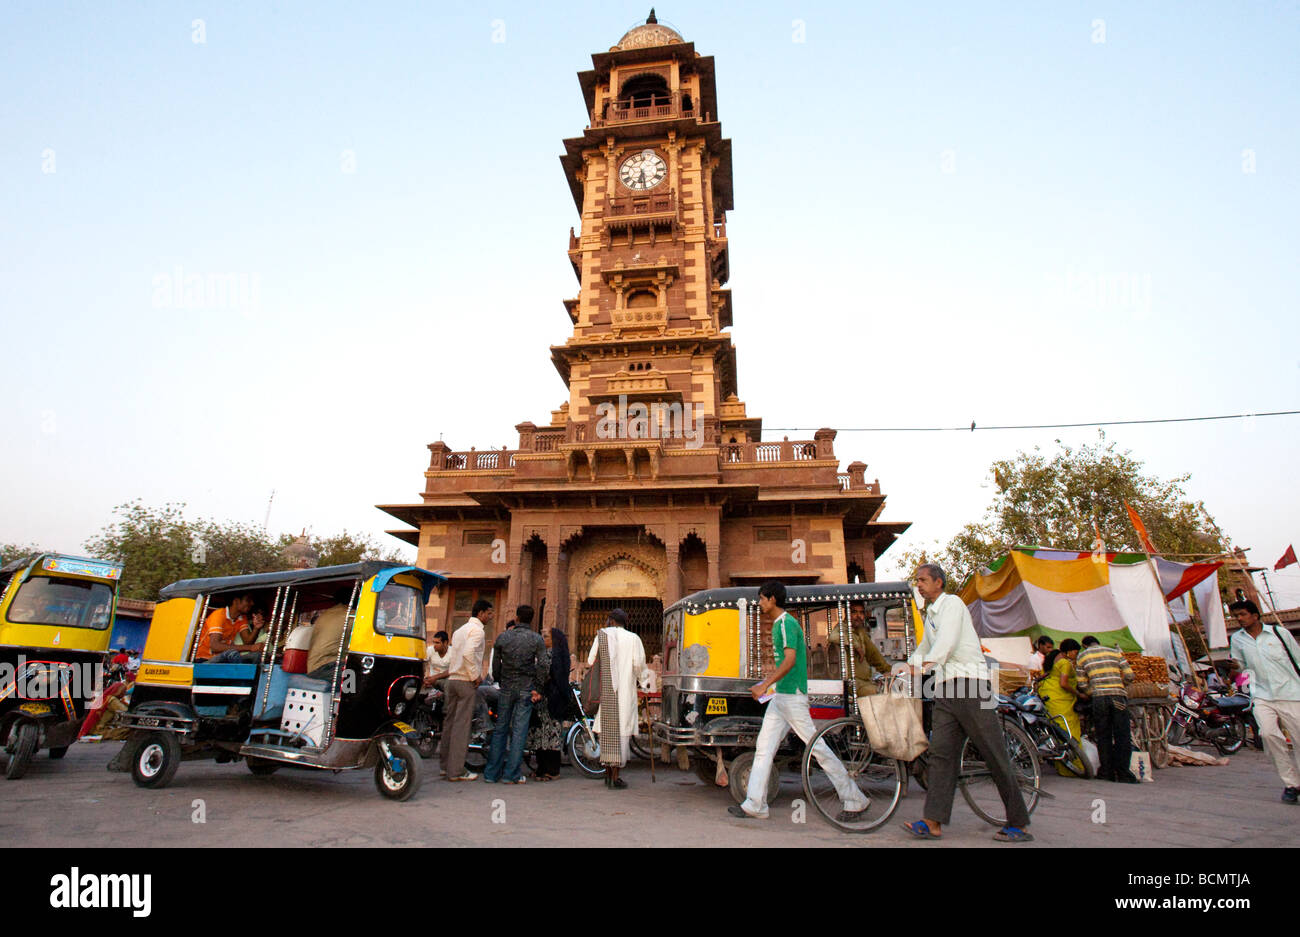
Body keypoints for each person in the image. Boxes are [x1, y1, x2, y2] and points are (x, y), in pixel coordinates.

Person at [901, 564, 1032, 842]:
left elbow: (946, 643)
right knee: (941, 756)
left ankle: (1018, 823)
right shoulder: (932, 613)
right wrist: (905, 665)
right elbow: (927, 646)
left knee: (994, 752)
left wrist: (922, 667)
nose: (919, 585)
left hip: (973, 686)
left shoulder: (952, 604)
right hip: (946, 689)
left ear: (939, 582)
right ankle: (932, 821)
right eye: (918, 581)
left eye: (923, 580)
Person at [728, 581, 870, 821]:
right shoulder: (781, 623)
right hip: (782, 696)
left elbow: (790, 660)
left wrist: (764, 684)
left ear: (772, 599)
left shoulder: (785, 623)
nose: (760, 603)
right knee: (764, 748)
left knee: (818, 748)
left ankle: (854, 798)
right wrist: (769, 684)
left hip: (791, 697)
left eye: (762, 599)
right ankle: (755, 803)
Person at [1228, 599, 1300, 804]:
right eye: (1236, 616)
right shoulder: (1238, 640)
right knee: (1268, 735)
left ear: (1255, 615)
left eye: (1242, 614)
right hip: (1261, 694)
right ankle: (1291, 783)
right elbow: (1239, 670)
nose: (1239, 619)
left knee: (1299, 738)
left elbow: (1298, 659)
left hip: (1292, 692)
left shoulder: (1279, 634)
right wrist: (1233, 672)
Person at [428, 600, 493, 781]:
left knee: (449, 724)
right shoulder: (478, 631)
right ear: (480, 613)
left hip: (453, 680)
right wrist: (475, 676)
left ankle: (444, 766)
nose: (491, 616)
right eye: (489, 613)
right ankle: (456, 771)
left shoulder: (459, 631)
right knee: (461, 727)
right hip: (465, 681)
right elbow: (468, 654)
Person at [484, 606, 548, 784]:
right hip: (525, 688)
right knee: (519, 731)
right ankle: (511, 774)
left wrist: (500, 679)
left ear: (517, 617)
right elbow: (543, 665)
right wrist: (538, 687)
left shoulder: (504, 636)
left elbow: (496, 663)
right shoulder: (536, 639)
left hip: (506, 686)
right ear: (532, 619)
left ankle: (491, 773)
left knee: (500, 729)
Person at [587, 608, 648, 789]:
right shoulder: (633, 639)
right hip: (624, 692)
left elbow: (591, 661)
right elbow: (638, 665)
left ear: (611, 621)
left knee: (607, 733)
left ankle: (608, 773)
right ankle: (616, 776)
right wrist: (644, 683)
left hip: (606, 692)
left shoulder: (601, 636)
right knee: (621, 735)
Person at [1075, 635, 1138, 783]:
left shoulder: (1082, 656)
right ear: (1098, 643)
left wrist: (1092, 691)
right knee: (1122, 735)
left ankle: (1106, 772)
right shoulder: (1114, 652)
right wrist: (1120, 685)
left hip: (1099, 699)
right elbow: (1130, 675)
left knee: (1103, 735)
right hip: (1118, 697)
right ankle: (1123, 773)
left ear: (1084, 645)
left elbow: (1082, 683)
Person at [528, 624, 570, 780]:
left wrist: (536, 689)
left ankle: (551, 770)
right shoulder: (555, 655)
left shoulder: (550, 656)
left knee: (548, 736)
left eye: (546, 636)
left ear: (554, 641)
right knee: (544, 736)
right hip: (548, 700)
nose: (543, 639)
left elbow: (543, 675)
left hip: (547, 699)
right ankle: (543, 768)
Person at [1036, 638, 1083, 776]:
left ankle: (1062, 766)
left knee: (1057, 731)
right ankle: (1075, 767)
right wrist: (1078, 694)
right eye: (1075, 652)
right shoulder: (1065, 663)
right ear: (1069, 651)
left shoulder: (1051, 660)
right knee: (1070, 731)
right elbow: (1064, 683)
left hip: (1048, 696)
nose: (1076, 655)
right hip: (1061, 698)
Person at [828, 600, 891, 699]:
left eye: (861, 612)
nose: (858, 616)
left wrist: (888, 671)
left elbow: (874, 655)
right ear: (846, 613)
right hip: (852, 683)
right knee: (879, 694)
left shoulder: (860, 631)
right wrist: (855, 645)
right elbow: (833, 637)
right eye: (854, 612)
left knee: (890, 690)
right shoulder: (843, 628)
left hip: (865, 681)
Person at [306, 590, 354, 682]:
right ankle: (349, 695)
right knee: (358, 676)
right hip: (326, 667)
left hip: (315, 666)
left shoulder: (327, 613)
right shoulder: (351, 615)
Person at [195, 594, 256, 662]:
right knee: (232, 654)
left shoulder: (241, 618)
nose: (252, 603)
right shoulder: (219, 615)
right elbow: (215, 646)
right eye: (248, 600)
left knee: (256, 656)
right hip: (204, 659)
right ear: (236, 601)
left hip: (223, 658)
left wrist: (256, 628)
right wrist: (250, 648)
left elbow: (247, 642)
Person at [423, 630, 451, 697]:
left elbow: (452, 670)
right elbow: (423, 664)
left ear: (445, 643)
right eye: (434, 642)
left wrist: (435, 677)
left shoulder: (453, 652)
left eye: (437, 643)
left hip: (447, 680)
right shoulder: (430, 650)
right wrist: (424, 679)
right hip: (432, 680)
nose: (434, 645)